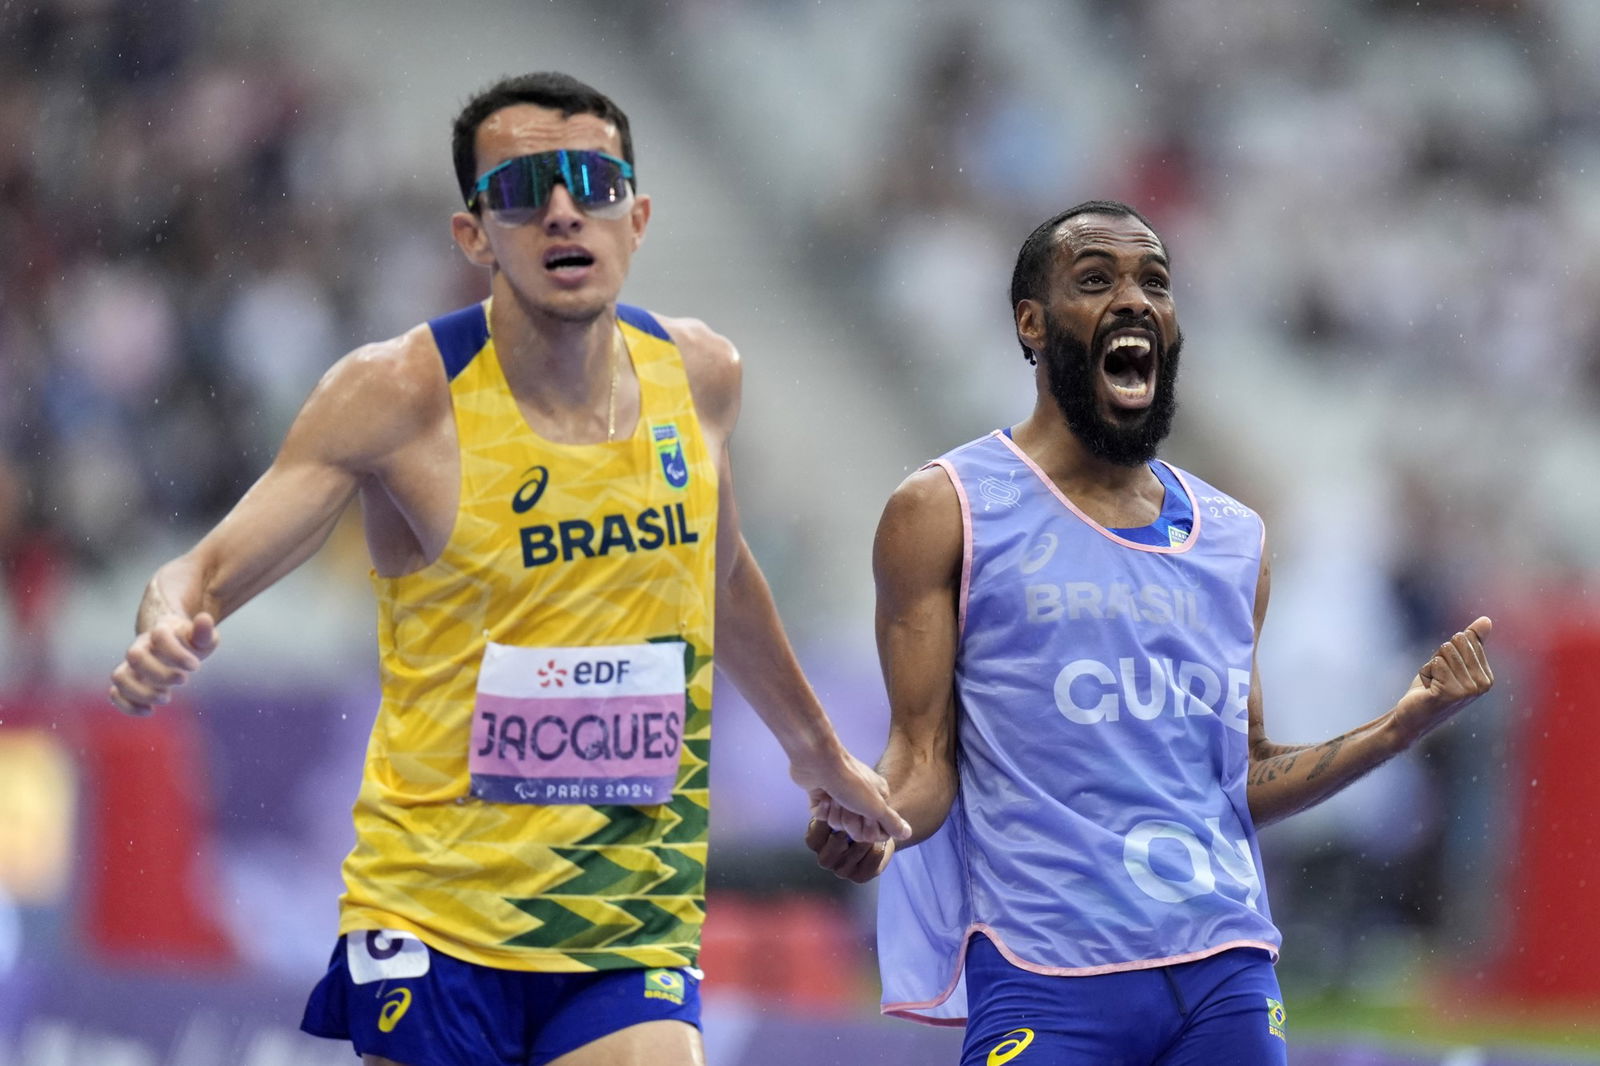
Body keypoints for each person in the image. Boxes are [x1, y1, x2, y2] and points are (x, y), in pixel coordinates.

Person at [107, 71, 909, 1066]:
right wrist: (163, 619)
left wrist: (819, 755)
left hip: (625, 910)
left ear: (638, 216)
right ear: (474, 234)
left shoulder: (700, 377)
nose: (565, 212)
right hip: (437, 911)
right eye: (526, 191)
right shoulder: (396, 395)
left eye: (594, 185)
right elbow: (202, 571)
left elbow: (725, 573)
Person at [807, 200, 1494, 1065]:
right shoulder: (945, 511)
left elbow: (1238, 780)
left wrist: (1400, 727)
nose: (1135, 299)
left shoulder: (1234, 537)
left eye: (1155, 283)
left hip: (1224, 974)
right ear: (1032, 322)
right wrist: (879, 820)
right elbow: (922, 759)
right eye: (1096, 281)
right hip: (1043, 974)